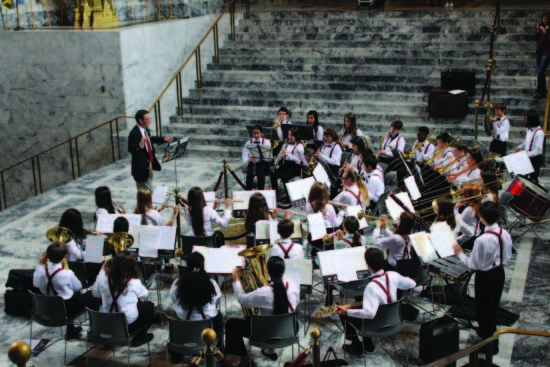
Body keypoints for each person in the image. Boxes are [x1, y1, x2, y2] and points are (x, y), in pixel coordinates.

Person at [453, 202, 512, 354]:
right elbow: (507, 256)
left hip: (485, 276)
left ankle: (490, 344)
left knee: (483, 309)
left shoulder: (482, 240)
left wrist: (460, 253)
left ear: (482, 218)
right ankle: (487, 332)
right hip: (499, 272)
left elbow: (473, 264)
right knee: (492, 306)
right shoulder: (504, 233)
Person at [335, 248, 415, 357]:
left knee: (343, 314)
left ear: (367, 265)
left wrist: (347, 312)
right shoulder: (393, 275)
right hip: (394, 320)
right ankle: (368, 344)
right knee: (362, 301)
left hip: (375, 326)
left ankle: (356, 346)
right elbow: (412, 283)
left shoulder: (371, 287)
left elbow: (369, 314)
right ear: (383, 261)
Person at [226, 256, 300, 366]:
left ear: (268, 271)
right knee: (278, 317)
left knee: (231, 324)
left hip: (262, 333)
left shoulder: (263, 292)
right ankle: (270, 350)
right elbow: (294, 304)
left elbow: (242, 299)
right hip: (290, 329)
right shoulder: (293, 287)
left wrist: (235, 279)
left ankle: (244, 358)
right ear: (283, 270)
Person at [92, 251, 155, 346]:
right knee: (149, 305)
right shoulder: (134, 282)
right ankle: (140, 336)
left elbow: (95, 294)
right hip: (128, 324)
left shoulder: (103, 279)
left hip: (107, 322)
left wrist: (102, 271)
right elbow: (145, 294)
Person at [169, 252, 222, 362]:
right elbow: (217, 300)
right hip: (207, 328)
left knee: (178, 317)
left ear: (187, 266)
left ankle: (178, 355)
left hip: (184, 327)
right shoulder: (211, 283)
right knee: (219, 315)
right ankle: (218, 347)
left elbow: (174, 300)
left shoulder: (177, 283)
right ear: (202, 266)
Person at [33, 242, 84, 339]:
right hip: (64, 311)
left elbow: (35, 284)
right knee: (85, 295)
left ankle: (72, 329)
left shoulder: (41, 271)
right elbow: (78, 287)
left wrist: (40, 265)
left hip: (44, 308)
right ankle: (71, 329)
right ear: (64, 257)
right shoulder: (67, 273)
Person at [128, 109, 173, 191]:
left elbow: (150, 139)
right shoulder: (134, 133)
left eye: (150, 118)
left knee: (149, 188)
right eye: (147, 119)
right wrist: (140, 145)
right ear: (140, 120)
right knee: (145, 192)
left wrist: (164, 139)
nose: (150, 121)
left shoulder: (145, 129)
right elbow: (131, 148)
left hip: (148, 164)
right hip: (140, 167)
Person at [271, 127, 308, 197]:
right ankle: (275, 195)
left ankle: (289, 196)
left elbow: (299, 160)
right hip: (286, 164)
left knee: (285, 177)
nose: (289, 137)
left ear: (296, 137)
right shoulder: (286, 144)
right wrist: (279, 156)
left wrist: (288, 155)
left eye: (291, 136)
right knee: (273, 175)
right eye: (289, 135)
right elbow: (281, 154)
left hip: (295, 166)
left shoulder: (299, 146)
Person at [515, 110, 544, 183]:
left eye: (527, 119)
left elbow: (538, 150)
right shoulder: (528, 129)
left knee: (533, 178)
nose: (526, 121)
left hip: (535, 159)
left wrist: (526, 154)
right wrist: (520, 147)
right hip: (528, 157)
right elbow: (528, 142)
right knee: (523, 177)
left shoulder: (539, 133)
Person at [242, 126, 272, 190]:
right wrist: (248, 159)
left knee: (261, 175)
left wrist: (263, 157)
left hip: (263, 163)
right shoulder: (248, 143)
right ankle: (248, 191)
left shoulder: (266, 142)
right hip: (252, 162)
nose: (256, 135)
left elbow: (269, 158)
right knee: (249, 174)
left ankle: (261, 191)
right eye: (254, 133)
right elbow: (244, 156)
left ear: (261, 133)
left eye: (257, 133)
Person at [455, 184, 483, 250]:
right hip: (475, 233)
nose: (462, 195)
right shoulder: (478, 204)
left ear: (467, 195)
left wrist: (456, 207)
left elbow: (457, 222)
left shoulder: (469, 210)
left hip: (469, 239)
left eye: (463, 193)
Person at [534, 13, 550, 99]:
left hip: (547, 53)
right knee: (539, 72)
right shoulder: (542, 28)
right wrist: (538, 30)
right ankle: (539, 91)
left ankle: (542, 92)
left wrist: (544, 32)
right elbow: (535, 38)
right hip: (539, 51)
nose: (544, 20)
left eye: (546, 18)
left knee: (540, 71)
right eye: (543, 18)